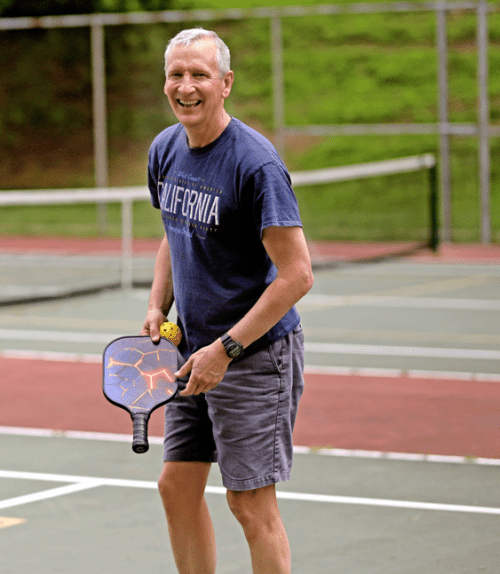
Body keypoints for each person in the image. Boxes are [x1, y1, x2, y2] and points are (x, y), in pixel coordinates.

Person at [141, 28, 314, 574]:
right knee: (176, 486)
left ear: (225, 84)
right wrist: (157, 306)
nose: (186, 86)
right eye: (176, 74)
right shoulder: (166, 149)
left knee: (250, 504)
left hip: (253, 356)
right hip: (193, 352)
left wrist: (227, 350)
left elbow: (297, 274)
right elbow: (175, 231)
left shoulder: (254, 165)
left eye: (200, 75)